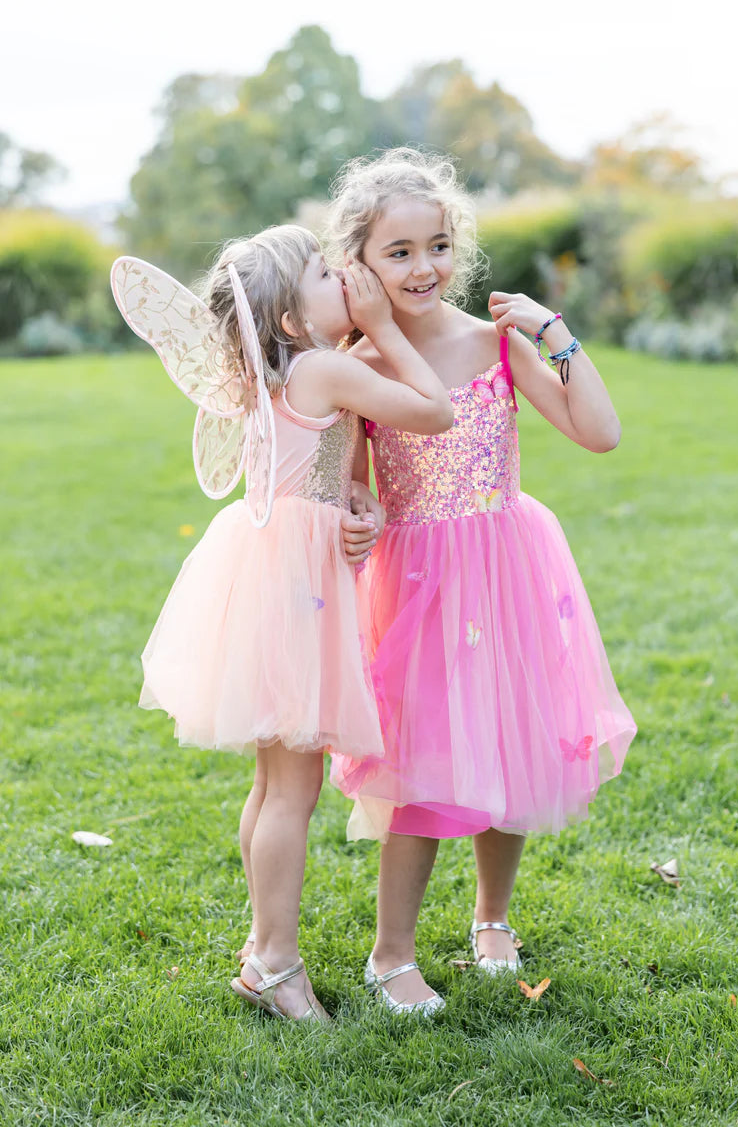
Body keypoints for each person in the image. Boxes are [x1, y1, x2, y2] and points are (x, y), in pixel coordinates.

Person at [111, 225, 453, 1022]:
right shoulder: (330, 365)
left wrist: (356, 499)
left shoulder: (289, 372)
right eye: (330, 276)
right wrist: (390, 330)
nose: (352, 282)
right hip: (298, 590)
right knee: (291, 789)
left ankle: (262, 948)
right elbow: (432, 412)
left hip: (273, 573)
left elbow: (331, 469)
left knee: (274, 785)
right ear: (295, 322)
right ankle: (274, 963)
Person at [328, 149, 637, 1015]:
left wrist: (554, 333)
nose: (422, 268)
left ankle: (491, 917)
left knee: (509, 736)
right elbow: (354, 483)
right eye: (398, 252)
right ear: (361, 262)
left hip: (507, 567)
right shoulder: (361, 364)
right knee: (424, 762)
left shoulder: (494, 345)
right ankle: (391, 954)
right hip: (419, 577)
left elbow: (600, 433)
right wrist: (358, 514)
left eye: (435, 246)